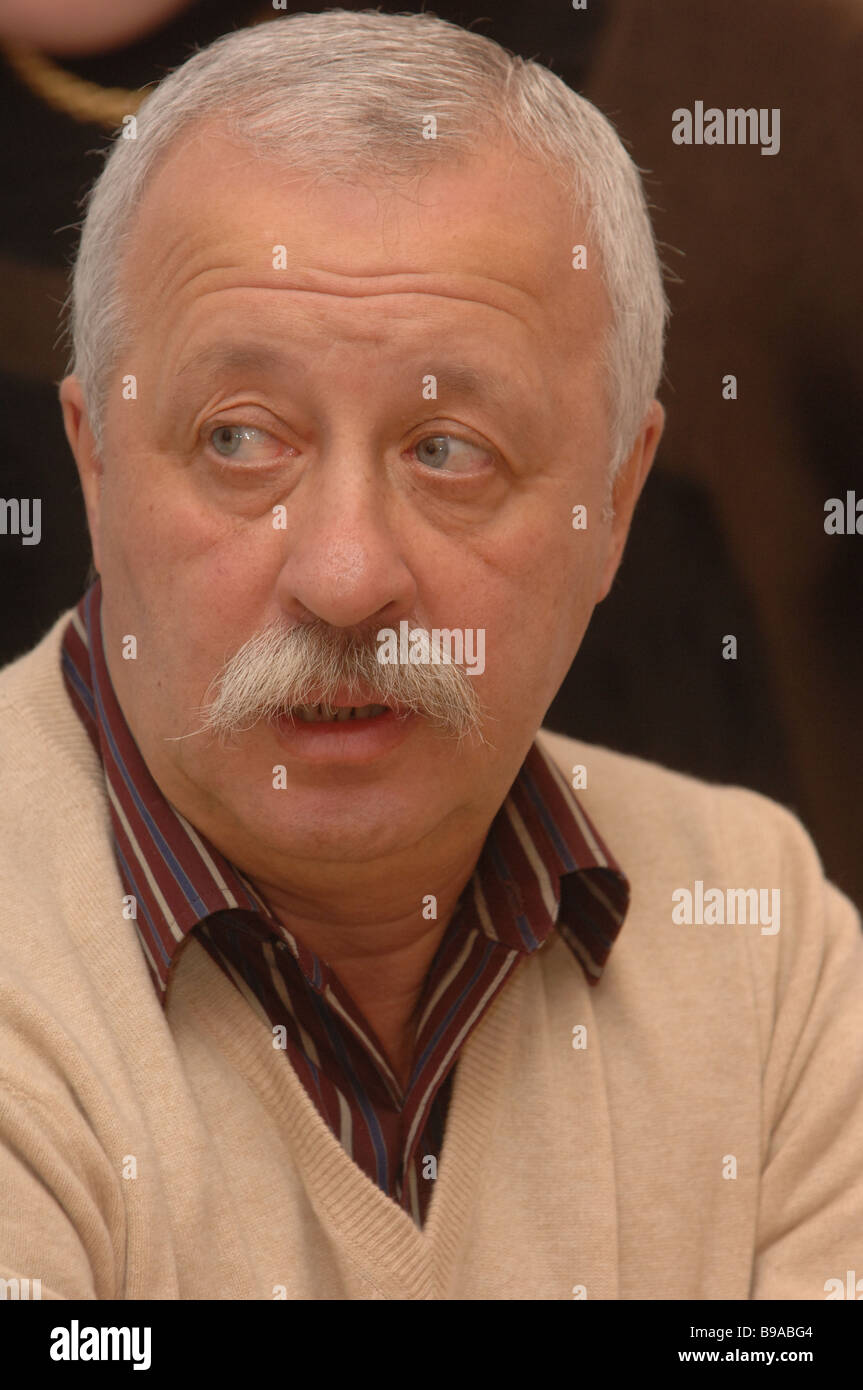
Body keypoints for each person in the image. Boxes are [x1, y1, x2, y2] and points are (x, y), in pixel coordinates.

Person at [0, 8, 860, 1301]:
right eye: (241, 439)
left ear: (615, 501)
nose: (346, 574)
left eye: (449, 451)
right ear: (96, 461)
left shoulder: (761, 931)